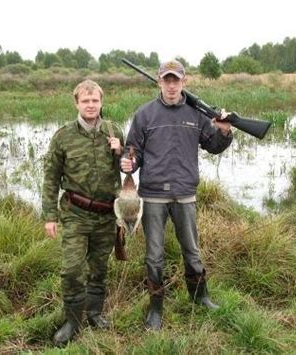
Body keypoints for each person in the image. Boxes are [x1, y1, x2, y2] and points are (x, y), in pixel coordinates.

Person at [120, 60, 233, 330]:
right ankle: (156, 308)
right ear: (159, 81)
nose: (171, 85)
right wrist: (128, 163)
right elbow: (132, 150)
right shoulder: (144, 114)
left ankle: (200, 297)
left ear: (184, 82)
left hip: (185, 194)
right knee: (154, 255)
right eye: (166, 80)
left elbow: (213, 146)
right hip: (153, 195)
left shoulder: (197, 114)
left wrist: (225, 130)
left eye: (176, 80)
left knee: (192, 251)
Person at [42, 79, 123, 344]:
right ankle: (72, 321)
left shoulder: (114, 132)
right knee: (72, 269)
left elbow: (128, 169)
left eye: (95, 101)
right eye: (86, 101)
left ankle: (95, 313)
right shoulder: (63, 136)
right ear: (77, 103)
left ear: (102, 102)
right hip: (75, 214)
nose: (91, 105)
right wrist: (50, 216)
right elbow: (51, 178)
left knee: (99, 267)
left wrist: (121, 154)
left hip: (107, 214)